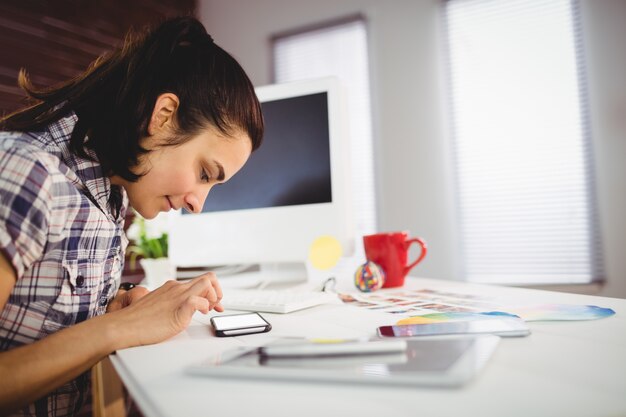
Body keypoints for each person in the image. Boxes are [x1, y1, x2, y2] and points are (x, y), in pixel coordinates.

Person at [0, 16, 263, 416]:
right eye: (205, 174)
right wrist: (120, 329)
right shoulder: (26, 171)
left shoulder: (113, 197)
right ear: (163, 116)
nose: (198, 204)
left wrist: (119, 310)